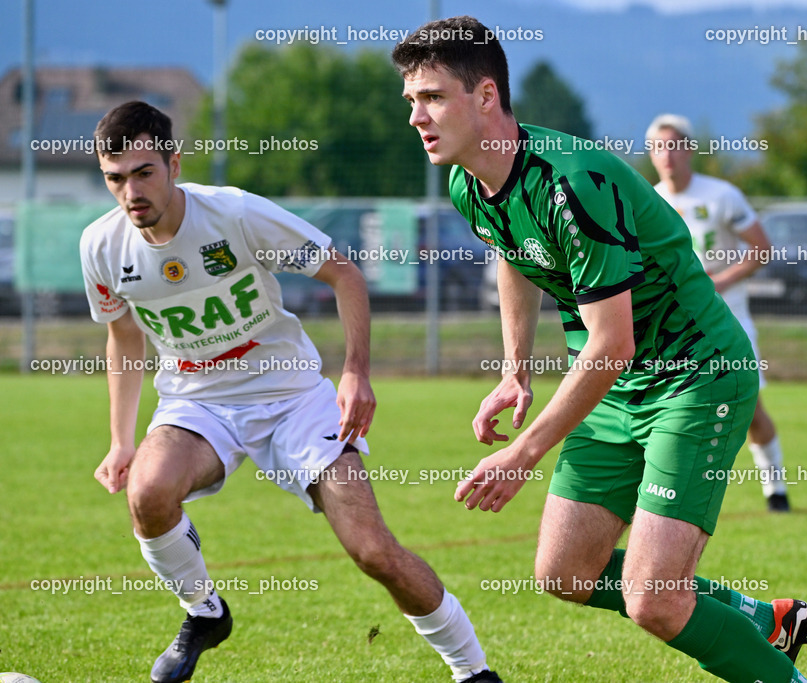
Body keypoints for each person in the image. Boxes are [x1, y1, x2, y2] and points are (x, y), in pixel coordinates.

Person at [393, 17, 807, 683]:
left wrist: (524, 450)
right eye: (411, 100)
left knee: (653, 599)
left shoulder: (572, 182)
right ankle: (757, 618)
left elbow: (612, 343)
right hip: (616, 390)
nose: (416, 116)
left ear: (485, 97)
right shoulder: (467, 181)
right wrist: (515, 370)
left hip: (694, 376)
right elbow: (515, 254)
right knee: (564, 571)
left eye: (433, 97)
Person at [80, 100, 501, 683]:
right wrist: (120, 441)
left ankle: (473, 673)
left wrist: (355, 372)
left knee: (372, 551)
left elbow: (343, 273)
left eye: (144, 172)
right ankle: (204, 614)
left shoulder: (233, 215)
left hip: (293, 399)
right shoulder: (101, 246)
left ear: (174, 164)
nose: (131, 192)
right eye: (115, 179)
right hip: (197, 401)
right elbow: (124, 338)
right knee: (148, 495)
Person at [647, 114, 792, 512]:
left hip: (730, 322)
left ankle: (775, 489)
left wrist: (720, 281)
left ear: (690, 149)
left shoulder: (721, 195)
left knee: (750, 413)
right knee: (673, 410)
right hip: (678, 329)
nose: (667, 155)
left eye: (674, 145)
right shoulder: (652, 200)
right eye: (659, 147)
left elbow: (761, 249)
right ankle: (669, 498)